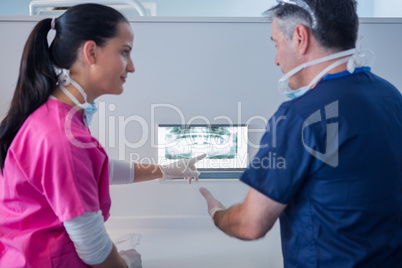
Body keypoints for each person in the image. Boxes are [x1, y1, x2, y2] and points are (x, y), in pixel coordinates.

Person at [0, 4, 204, 268]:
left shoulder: (55, 116)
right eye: (124, 52)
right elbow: (93, 248)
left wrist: (166, 170)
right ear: (91, 52)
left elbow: (94, 170)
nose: (131, 67)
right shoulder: (61, 137)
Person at [200, 0, 402, 267]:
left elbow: (251, 224)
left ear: (299, 37)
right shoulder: (390, 96)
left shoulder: (299, 116)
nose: (276, 59)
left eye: (276, 43)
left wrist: (217, 212)